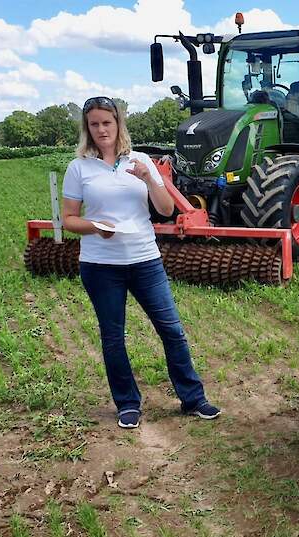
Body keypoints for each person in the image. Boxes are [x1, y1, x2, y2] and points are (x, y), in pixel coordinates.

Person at [61, 96, 220, 428]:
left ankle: (193, 399)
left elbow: (165, 210)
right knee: (113, 337)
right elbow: (69, 220)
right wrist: (95, 227)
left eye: (107, 122)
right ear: (87, 129)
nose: (102, 129)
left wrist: (149, 179)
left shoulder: (141, 160)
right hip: (101, 266)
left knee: (172, 331)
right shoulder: (79, 168)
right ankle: (127, 403)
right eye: (95, 124)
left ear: (118, 124)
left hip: (145, 261)